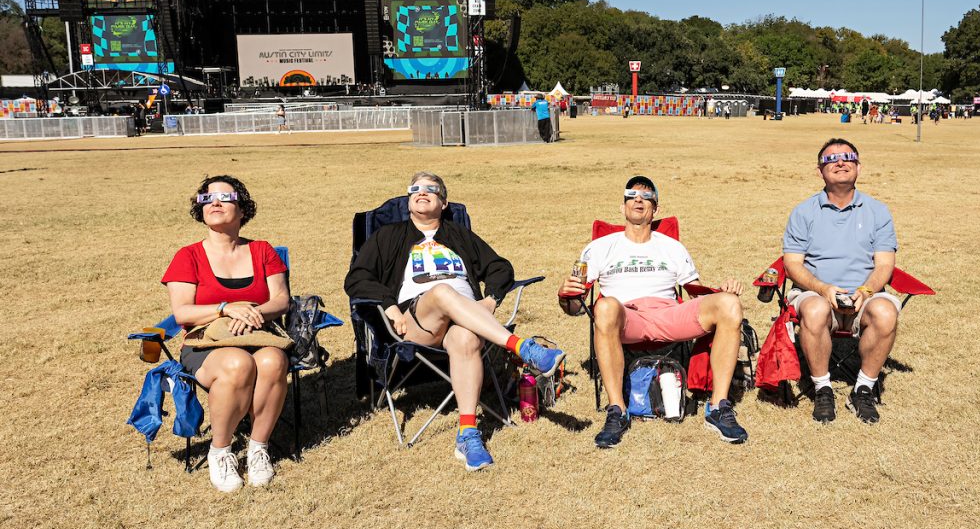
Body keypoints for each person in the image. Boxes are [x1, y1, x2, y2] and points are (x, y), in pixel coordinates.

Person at [344, 172, 566, 471]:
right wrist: (390, 307)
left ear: (444, 202)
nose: (422, 192)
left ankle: (468, 433)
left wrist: (490, 300)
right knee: (442, 291)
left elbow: (499, 267)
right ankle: (521, 347)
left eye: (431, 189)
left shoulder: (459, 235)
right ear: (409, 200)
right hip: (416, 323)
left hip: (466, 320)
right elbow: (357, 278)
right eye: (416, 189)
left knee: (466, 339)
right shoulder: (388, 236)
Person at [558, 176, 749, 448]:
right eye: (631, 195)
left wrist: (722, 291)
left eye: (646, 196)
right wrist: (564, 295)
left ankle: (718, 407)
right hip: (627, 316)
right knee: (606, 306)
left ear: (655, 209)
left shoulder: (672, 247)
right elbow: (575, 306)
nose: (638, 199)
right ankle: (617, 410)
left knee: (729, 303)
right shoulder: (599, 248)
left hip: (669, 314)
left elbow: (694, 290)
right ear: (623, 207)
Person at [162, 175, 292, 492]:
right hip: (207, 342)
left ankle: (258, 448)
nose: (215, 203)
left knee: (273, 362)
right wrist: (225, 308)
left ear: (242, 208)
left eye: (224, 197)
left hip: (258, 333)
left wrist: (255, 312)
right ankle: (220, 450)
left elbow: (282, 299)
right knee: (237, 364)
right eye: (207, 199)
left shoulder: (262, 251)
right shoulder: (188, 256)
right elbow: (182, 313)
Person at [782, 138, 900, 425]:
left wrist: (866, 290)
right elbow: (792, 264)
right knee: (815, 310)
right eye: (831, 159)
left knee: (885, 312)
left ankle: (862, 389)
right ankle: (822, 388)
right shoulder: (804, 212)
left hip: (865, 295)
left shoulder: (877, 211)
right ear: (820, 170)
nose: (840, 162)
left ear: (859, 166)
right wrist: (822, 289)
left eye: (848, 157)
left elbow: (885, 263)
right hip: (816, 293)